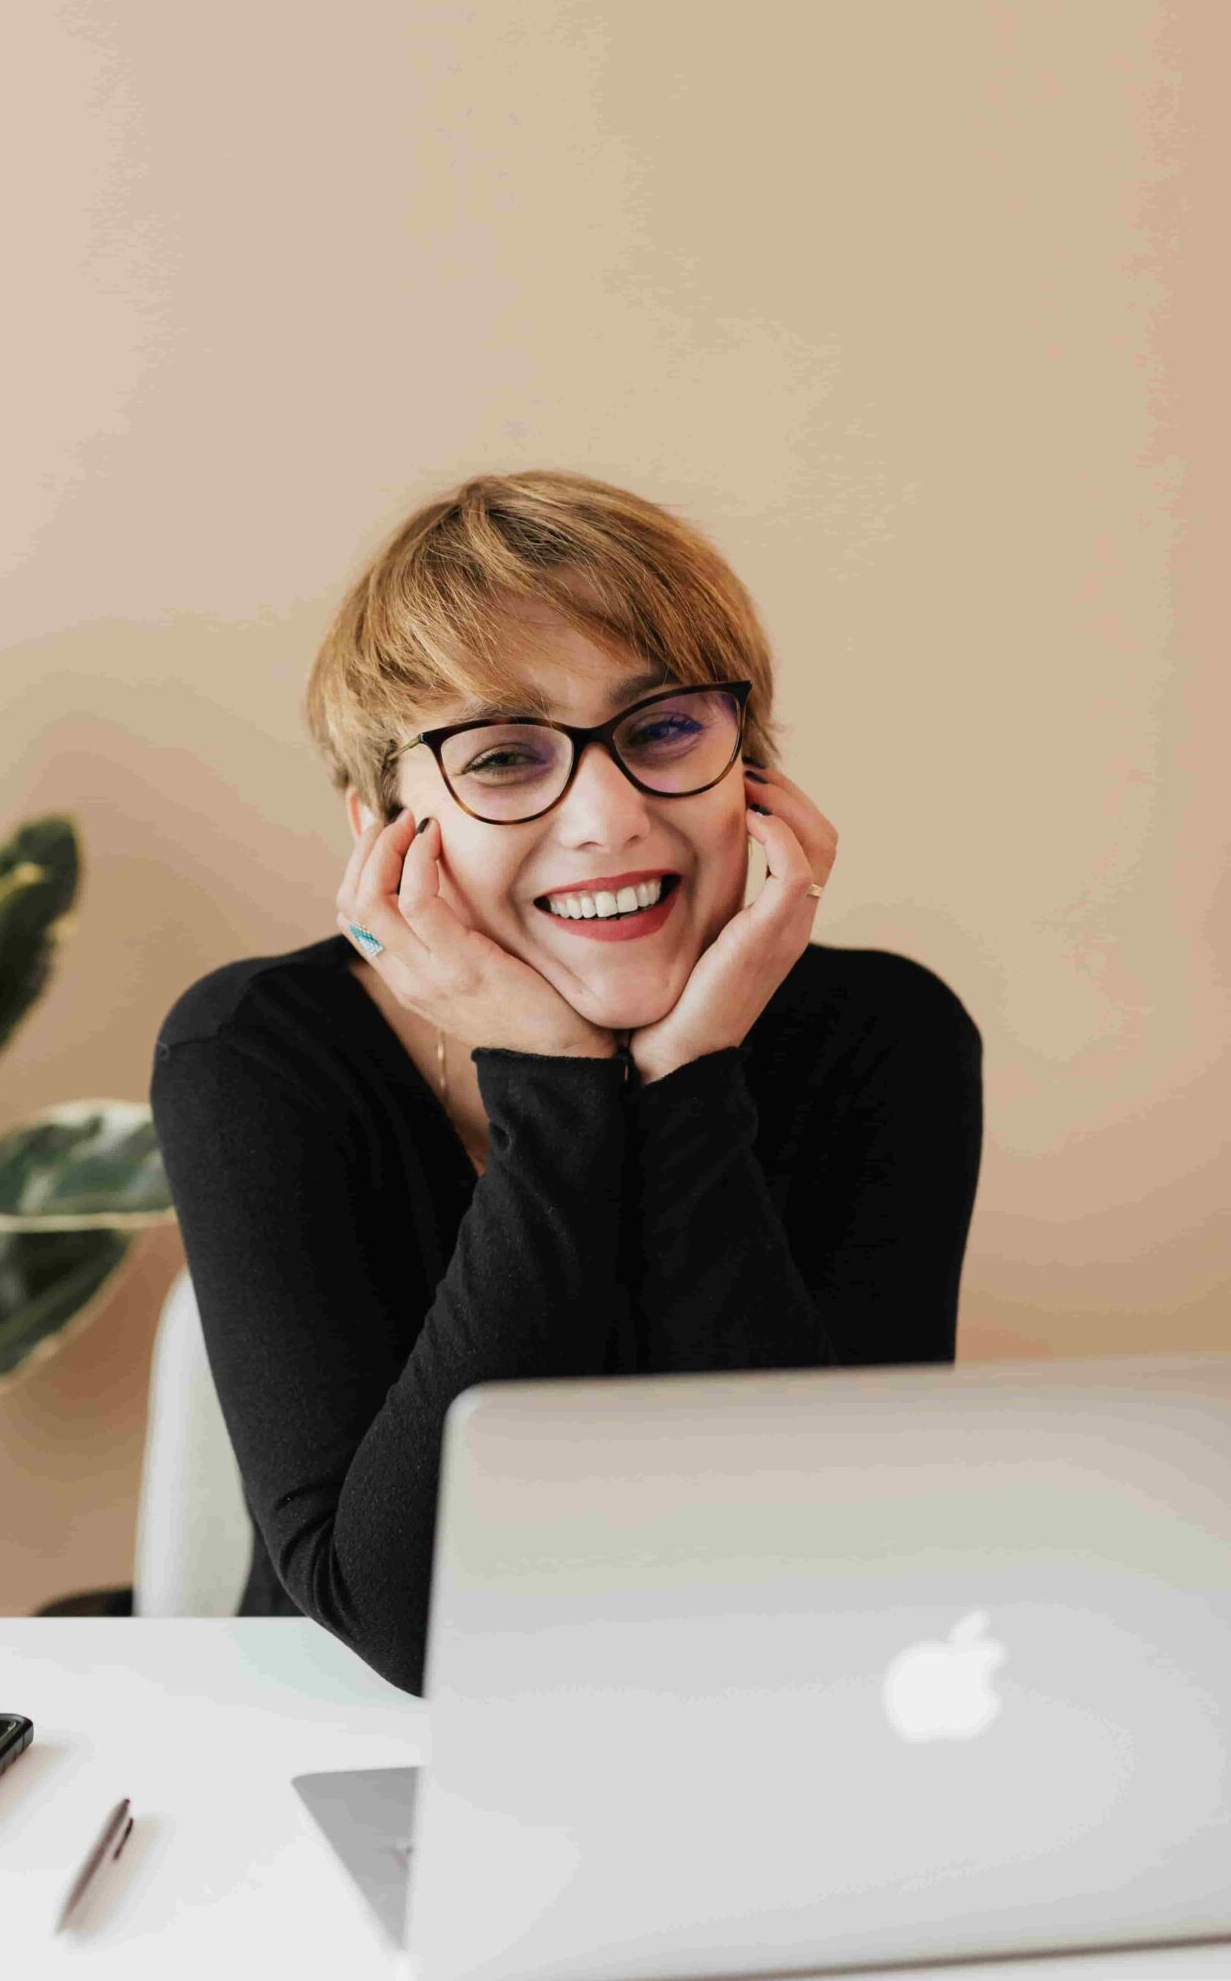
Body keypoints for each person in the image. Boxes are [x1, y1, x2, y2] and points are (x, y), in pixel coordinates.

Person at [149, 471, 984, 1697]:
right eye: (501, 757)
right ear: (383, 824)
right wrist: (554, 1085)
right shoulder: (257, 1052)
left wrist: (688, 1079)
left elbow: (835, 1568)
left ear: (752, 767)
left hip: (758, 1723)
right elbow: (406, 1625)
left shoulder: (886, 1034)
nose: (605, 818)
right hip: (353, 1743)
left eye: (661, 731)